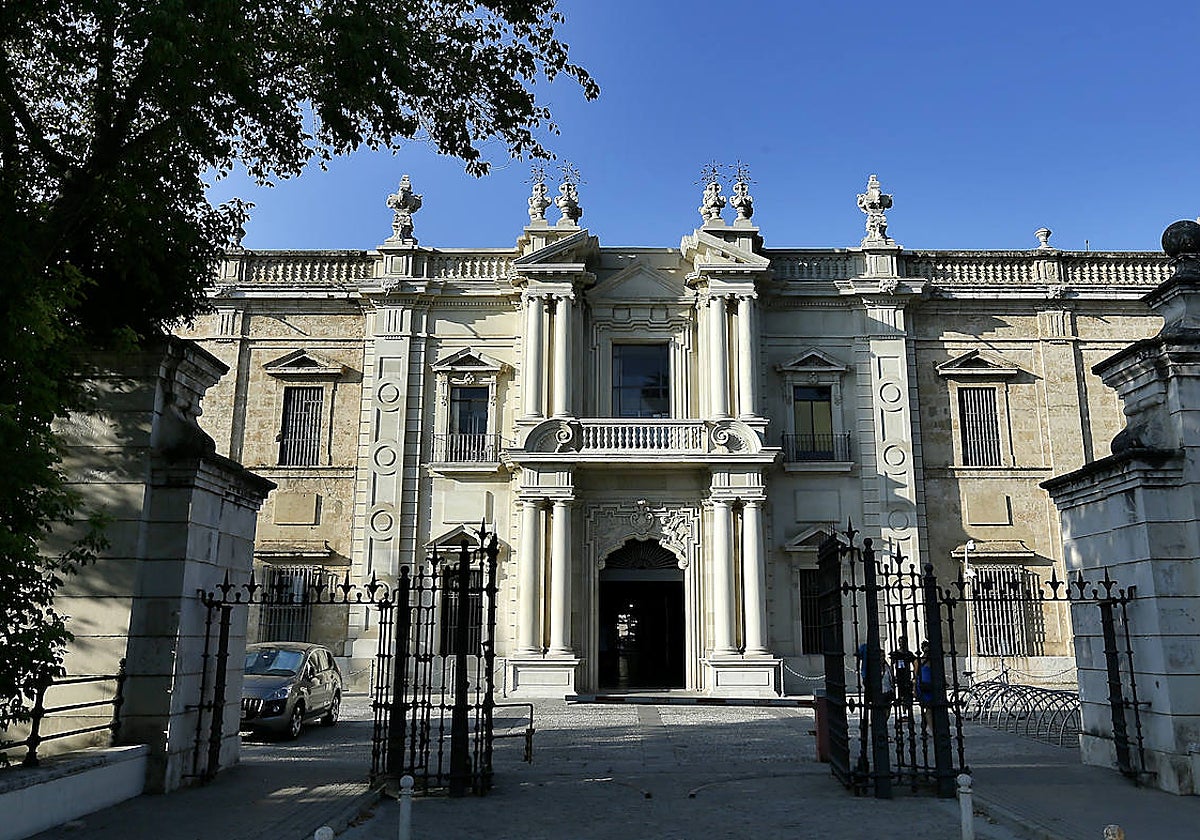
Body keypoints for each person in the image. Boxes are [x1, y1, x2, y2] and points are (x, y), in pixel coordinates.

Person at [890, 635, 916, 707]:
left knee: (907, 691)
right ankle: (903, 707)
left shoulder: (909, 654)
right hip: (899, 675)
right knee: (900, 690)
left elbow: (915, 663)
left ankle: (907, 707)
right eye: (900, 642)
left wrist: (914, 675)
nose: (901, 644)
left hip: (907, 675)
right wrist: (892, 675)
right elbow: (892, 664)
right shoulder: (896, 654)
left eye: (903, 642)